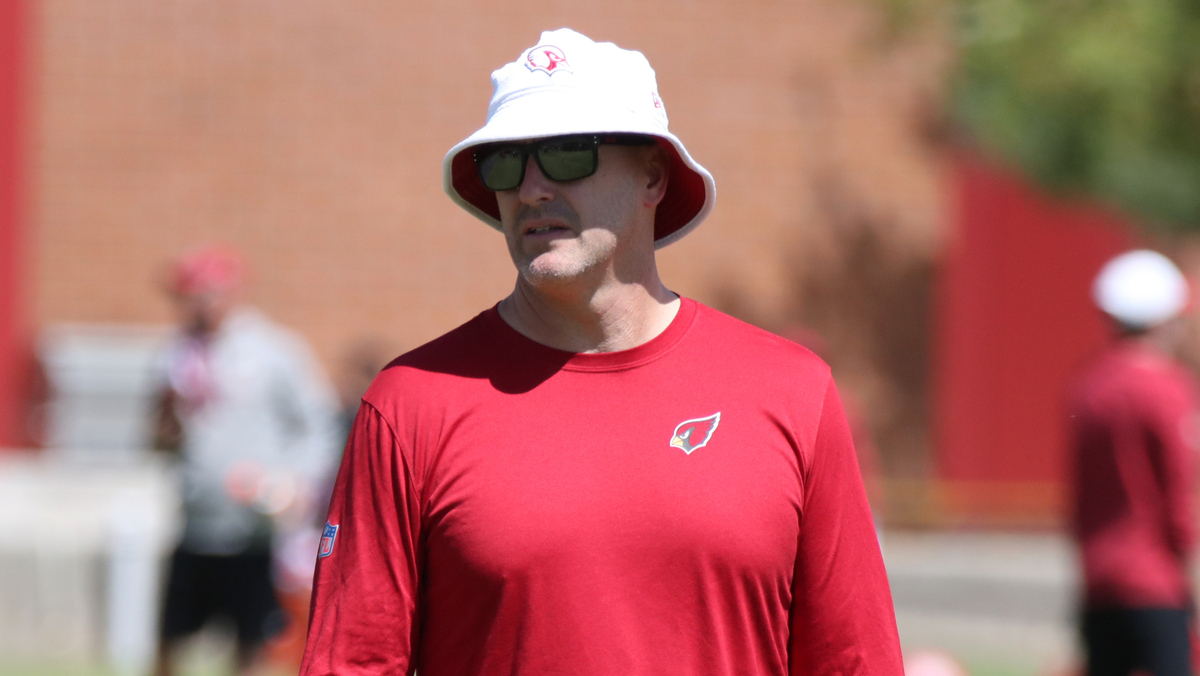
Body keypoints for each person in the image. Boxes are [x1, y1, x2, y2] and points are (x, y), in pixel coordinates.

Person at [300, 29, 902, 675]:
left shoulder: (792, 389)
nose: (530, 188)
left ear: (651, 176)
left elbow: (854, 659)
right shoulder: (411, 401)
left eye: (566, 152)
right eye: (505, 162)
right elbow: (352, 662)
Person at [153, 245, 341, 676]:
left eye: (205, 294)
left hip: (253, 530)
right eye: (186, 296)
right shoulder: (173, 355)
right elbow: (162, 443)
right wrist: (162, 428)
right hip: (196, 523)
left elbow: (318, 423)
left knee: (252, 644)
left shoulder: (273, 351)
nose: (196, 306)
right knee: (169, 640)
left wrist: (289, 480)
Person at [1068, 249, 1200, 676]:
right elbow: (1181, 492)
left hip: (1098, 579)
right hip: (1156, 583)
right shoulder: (1168, 390)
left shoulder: (1088, 387)